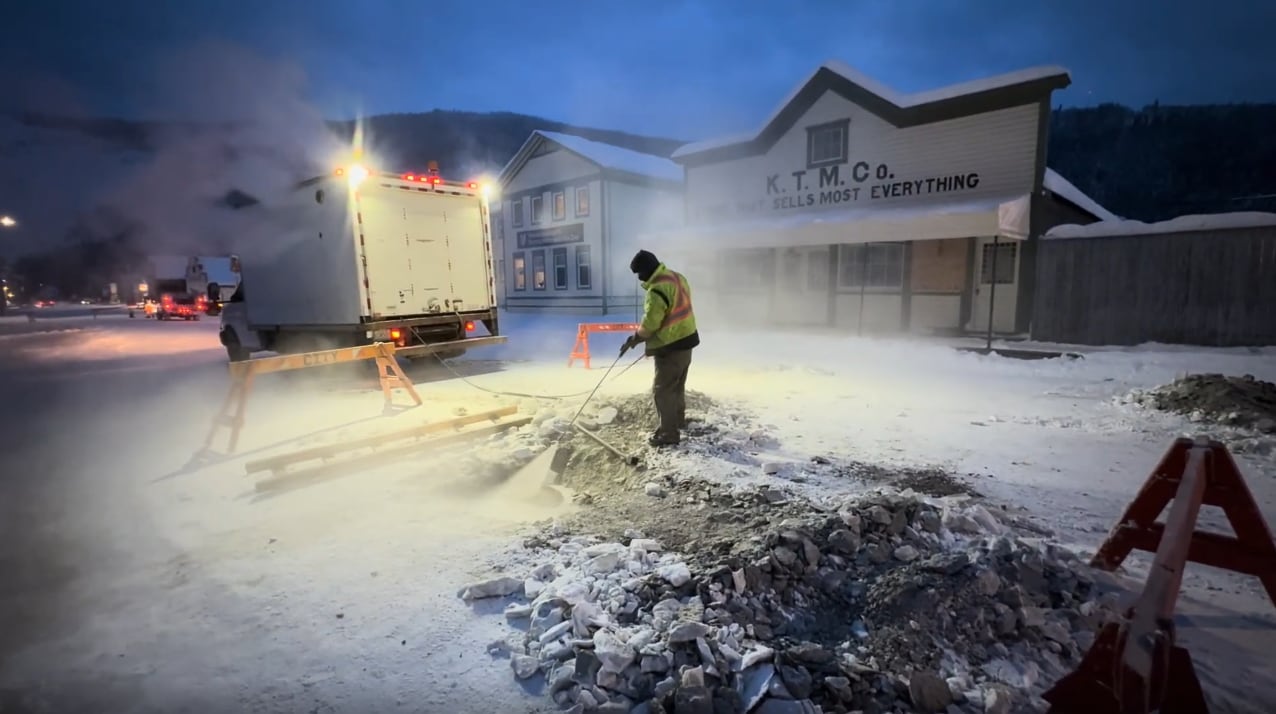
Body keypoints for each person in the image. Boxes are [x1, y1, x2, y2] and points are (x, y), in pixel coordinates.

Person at [619, 250, 700, 447]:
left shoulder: (656, 291)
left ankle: (668, 433)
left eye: (640, 273)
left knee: (663, 390)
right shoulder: (677, 277)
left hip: (670, 347)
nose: (639, 278)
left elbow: (650, 325)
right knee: (677, 385)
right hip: (687, 340)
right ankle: (677, 421)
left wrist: (635, 339)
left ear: (647, 270)